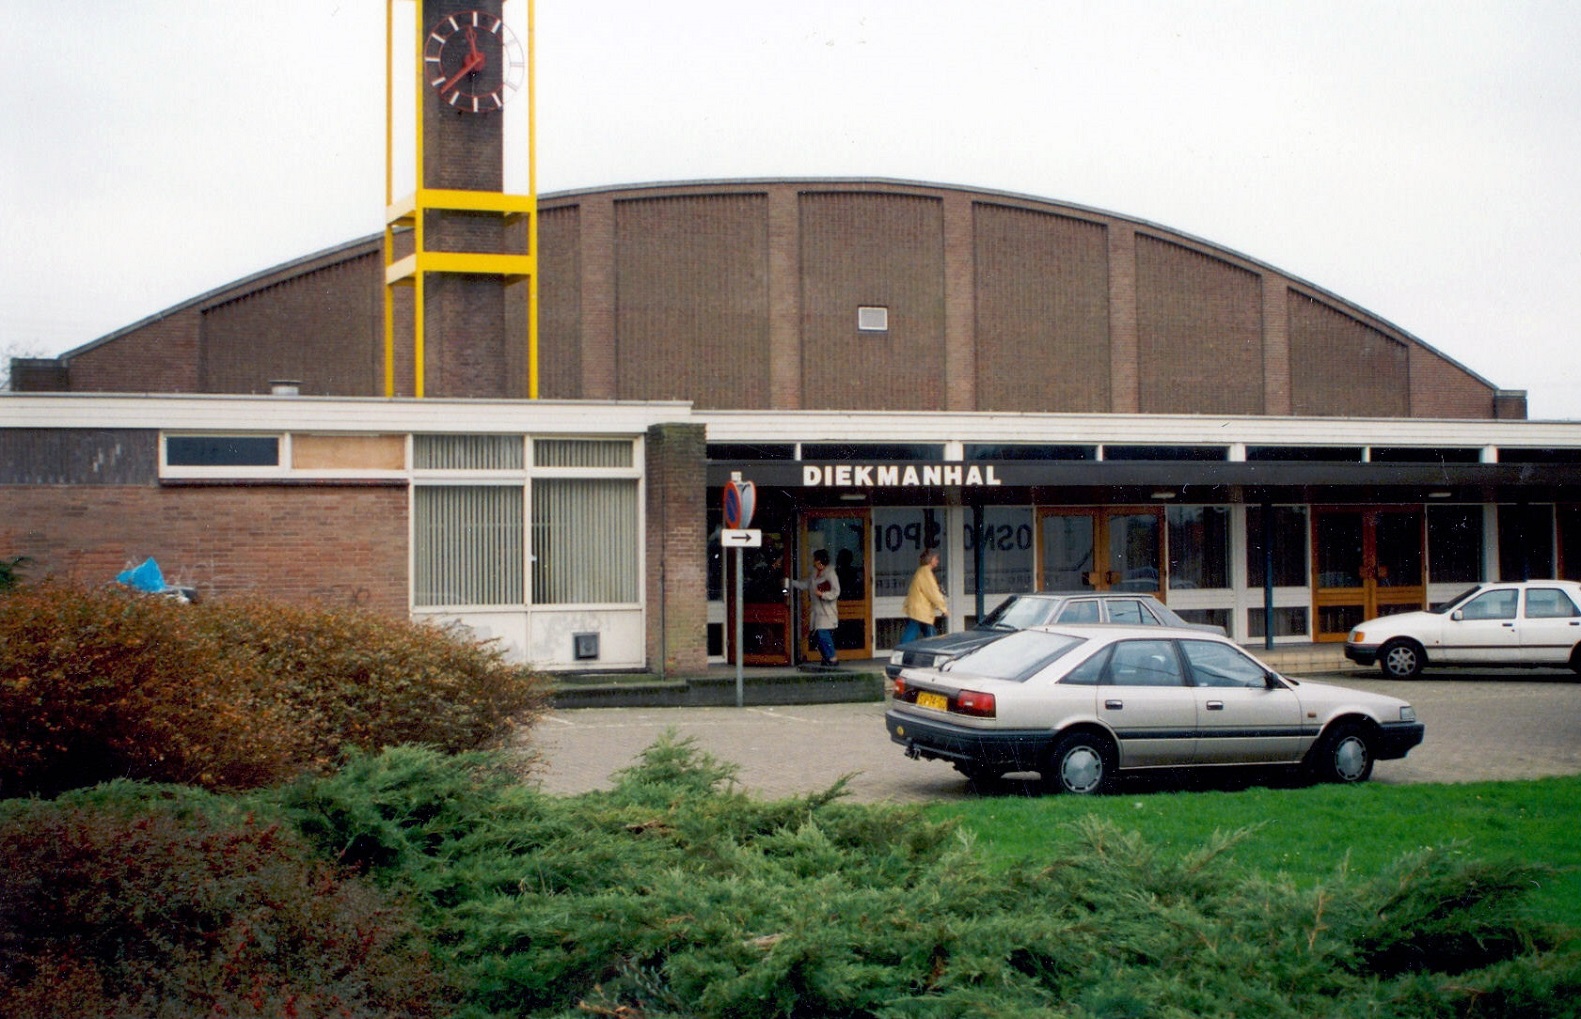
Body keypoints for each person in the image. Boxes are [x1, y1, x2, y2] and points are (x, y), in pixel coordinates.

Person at [788, 549, 841, 666]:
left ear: (820, 560)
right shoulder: (814, 573)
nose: (814, 562)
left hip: (827, 610)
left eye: (816, 559)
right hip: (816, 610)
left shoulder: (830, 574)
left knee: (823, 633)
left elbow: (836, 591)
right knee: (817, 635)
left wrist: (823, 594)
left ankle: (832, 658)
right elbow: (805, 584)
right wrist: (791, 582)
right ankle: (826, 658)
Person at [900, 549, 948, 644]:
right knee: (924, 634)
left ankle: (903, 648)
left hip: (919, 610)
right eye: (936, 558)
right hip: (921, 611)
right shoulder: (926, 573)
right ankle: (902, 649)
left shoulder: (922, 571)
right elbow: (933, 593)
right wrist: (944, 609)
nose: (938, 561)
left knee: (927, 632)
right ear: (930, 559)